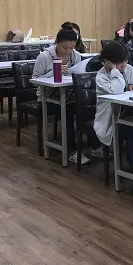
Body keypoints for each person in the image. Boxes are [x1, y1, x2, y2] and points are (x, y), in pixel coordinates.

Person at [93, 41, 133, 175]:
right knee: (131, 132)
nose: (123, 65)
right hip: (111, 119)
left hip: (130, 114)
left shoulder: (128, 69)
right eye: (119, 62)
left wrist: (132, 85)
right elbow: (116, 89)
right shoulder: (101, 77)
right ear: (107, 61)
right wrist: (115, 70)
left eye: (126, 61)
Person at [33, 26, 84, 164]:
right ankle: (72, 151)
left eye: (71, 47)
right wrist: (54, 72)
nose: (68, 51)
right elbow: (35, 80)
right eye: (64, 48)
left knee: (88, 109)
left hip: (70, 95)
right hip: (47, 98)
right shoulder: (44, 56)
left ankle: (95, 146)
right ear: (57, 43)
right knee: (67, 112)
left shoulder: (76, 55)